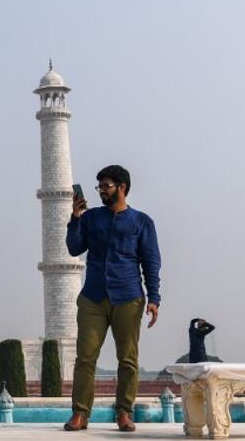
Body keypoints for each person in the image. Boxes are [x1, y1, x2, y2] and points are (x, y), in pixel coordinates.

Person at [64, 165, 161, 433]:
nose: (101, 191)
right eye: (100, 187)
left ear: (122, 187)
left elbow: (151, 262)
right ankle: (80, 414)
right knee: (85, 358)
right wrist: (75, 218)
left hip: (128, 297)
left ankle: (124, 413)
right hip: (93, 297)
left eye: (106, 186)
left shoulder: (141, 222)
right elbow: (74, 248)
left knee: (127, 360)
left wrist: (154, 297)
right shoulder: (92, 217)